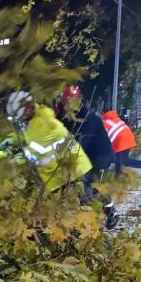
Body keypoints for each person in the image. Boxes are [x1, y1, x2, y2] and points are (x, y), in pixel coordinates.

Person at [5, 90, 91, 193]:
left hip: (68, 175)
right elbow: (30, 138)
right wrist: (13, 139)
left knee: (83, 204)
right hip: (70, 171)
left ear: (27, 108)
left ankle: (107, 203)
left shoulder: (40, 124)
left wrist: (17, 156)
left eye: (20, 115)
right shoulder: (38, 116)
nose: (20, 118)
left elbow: (36, 153)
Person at [57, 85, 118, 229]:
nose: (68, 104)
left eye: (72, 100)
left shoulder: (88, 118)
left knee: (93, 186)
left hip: (99, 157)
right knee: (81, 185)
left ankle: (109, 212)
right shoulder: (65, 115)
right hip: (85, 156)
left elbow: (82, 143)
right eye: (66, 101)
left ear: (79, 100)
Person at [101, 108, 141, 178]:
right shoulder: (112, 118)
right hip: (126, 137)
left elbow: (103, 138)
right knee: (119, 159)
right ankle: (116, 176)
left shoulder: (104, 122)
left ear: (103, 113)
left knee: (121, 160)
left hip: (121, 140)